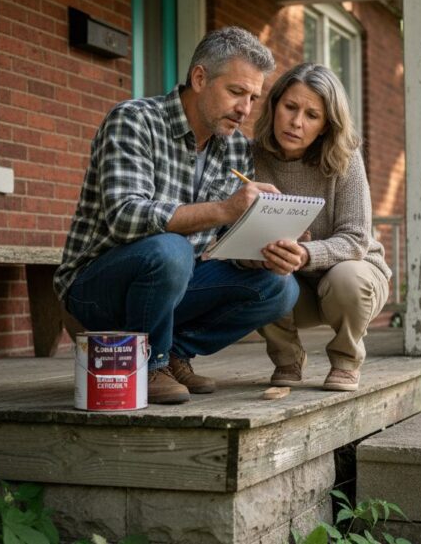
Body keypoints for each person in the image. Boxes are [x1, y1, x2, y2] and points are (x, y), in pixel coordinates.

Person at [53, 27, 300, 405]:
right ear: (199, 78)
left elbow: (222, 245)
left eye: (253, 97)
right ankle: (149, 364)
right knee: (172, 250)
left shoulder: (234, 148)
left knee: (279, 286)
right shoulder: (134, 120)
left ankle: (172, 354)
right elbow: (125, 217)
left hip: (175, 282)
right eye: (236, 92)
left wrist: (265, 251)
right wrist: (225, 208)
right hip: (97, 288)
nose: (245, 109)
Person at [251, 63, 392, 392]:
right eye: (290, 107)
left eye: (312, 115)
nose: (296, 122)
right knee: (257, 272)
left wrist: (304, 252)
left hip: (354, 282)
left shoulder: (345, 156)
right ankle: (286, 357)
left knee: (346, 277)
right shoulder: (251, 157)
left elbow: (356, 239)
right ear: (274, 105)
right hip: (292, 287)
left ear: (327, 125)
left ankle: (346, 359)